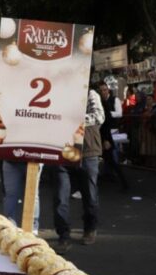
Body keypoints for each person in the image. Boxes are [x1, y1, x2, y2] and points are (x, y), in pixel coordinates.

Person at [54, 88, 105, 253]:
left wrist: (69, 119)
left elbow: (99, 117)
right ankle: (63, 235)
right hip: (62, 148)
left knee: (89, 193)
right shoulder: (56, 93)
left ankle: (90, 228)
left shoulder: (90, 94)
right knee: (61, 196)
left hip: (87, 150)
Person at [98, 81, 128, 189]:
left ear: (108, 90)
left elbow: (119, 113)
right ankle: (109, 174)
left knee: (113, 154)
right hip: (105, 131)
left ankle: (119, 179)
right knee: (108, 156)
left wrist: (108, 113)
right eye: (101, 91)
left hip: (114, 129)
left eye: (105, 90)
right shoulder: (100, 101)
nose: (103, 92)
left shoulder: (114, 99)